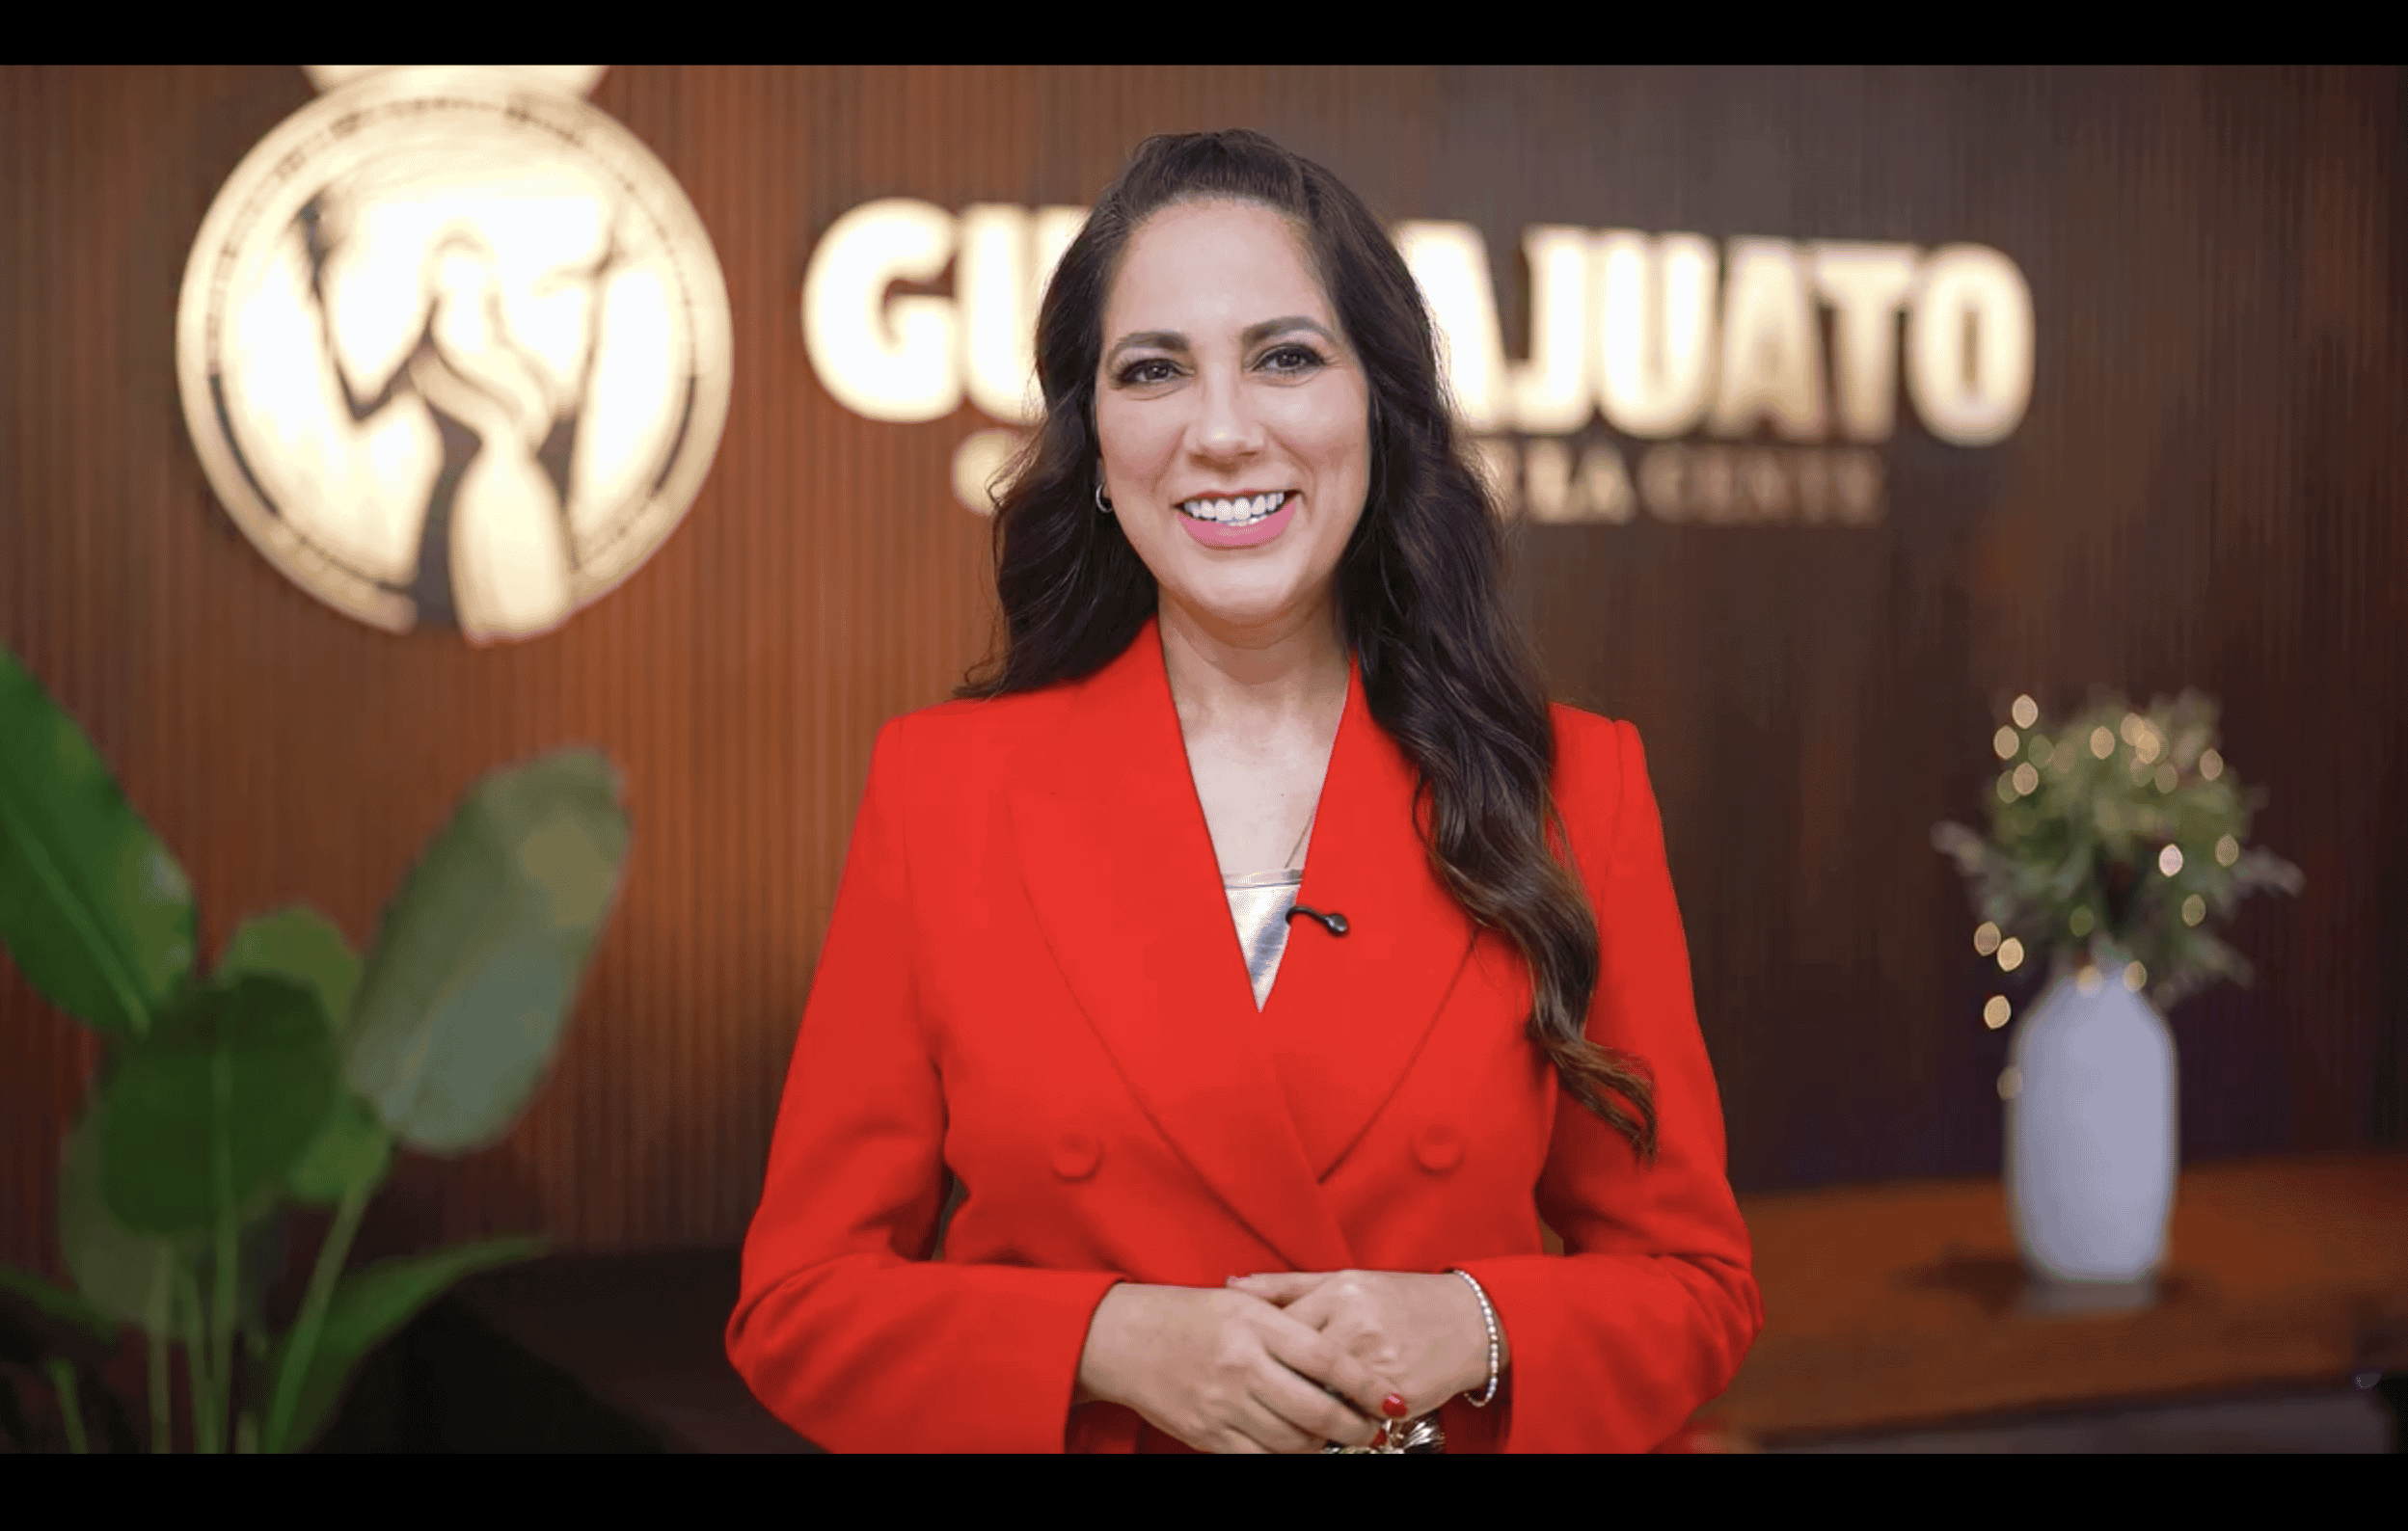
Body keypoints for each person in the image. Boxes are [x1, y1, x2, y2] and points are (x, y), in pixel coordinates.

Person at [727, 130, 1761, 1453]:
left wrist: (1475, 1325)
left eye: (1286, 358)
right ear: (1095, 440)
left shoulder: (1570, 789)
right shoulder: (944, 793)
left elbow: (1696, 1289)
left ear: (1379, 408)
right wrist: (1104, 1343)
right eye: (1154, 370)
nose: (1221, 432)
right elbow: (799, 1305)